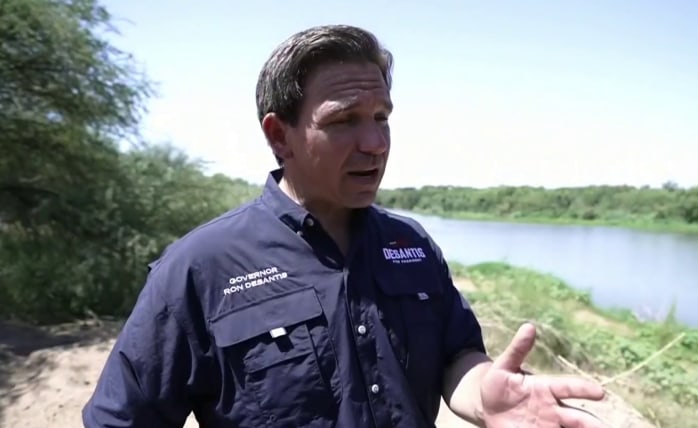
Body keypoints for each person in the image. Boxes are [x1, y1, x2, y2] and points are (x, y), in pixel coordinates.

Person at [82, 24, 608, 428]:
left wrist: (484, 395)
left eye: (382, 118)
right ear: (279, 136)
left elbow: (456, 356)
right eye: (344, 120)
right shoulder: (199, 268)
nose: (375, 144)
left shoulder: (411, 244)